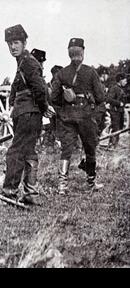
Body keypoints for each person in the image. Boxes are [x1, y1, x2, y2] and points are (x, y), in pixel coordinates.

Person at [0, 24, 55, 205]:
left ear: (24, 43)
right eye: (9, 44)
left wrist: (43, 105)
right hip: (27, 114)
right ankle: (30, 193)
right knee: (29, 152)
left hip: (28, 114)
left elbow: (39, 87)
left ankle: (9, 193)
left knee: (15, 153)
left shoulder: (29, 62)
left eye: (16, 43)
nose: (12, 47)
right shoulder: (23, 62)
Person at [50, 38, 105, 194]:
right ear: (83, 52)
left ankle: (62, 186)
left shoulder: (61, 73)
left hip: (68, 117)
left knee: (66, 150)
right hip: (86, 116)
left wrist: (62, 113)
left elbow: (53, 99)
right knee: (90, 149)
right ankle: (90, 183)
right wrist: (95, 116)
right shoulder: (90, 72)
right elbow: (101, 98)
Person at [106, 73, 127, 148]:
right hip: (115, 111)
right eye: (125, 80)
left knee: (119, 128)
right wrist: (119, 103)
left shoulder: (120, 89)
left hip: (120, 111)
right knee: (116, 128)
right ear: (120, 80)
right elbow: (108, 99)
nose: (126, 82)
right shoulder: (114, 88)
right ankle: (112, 145)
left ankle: (115, 145)